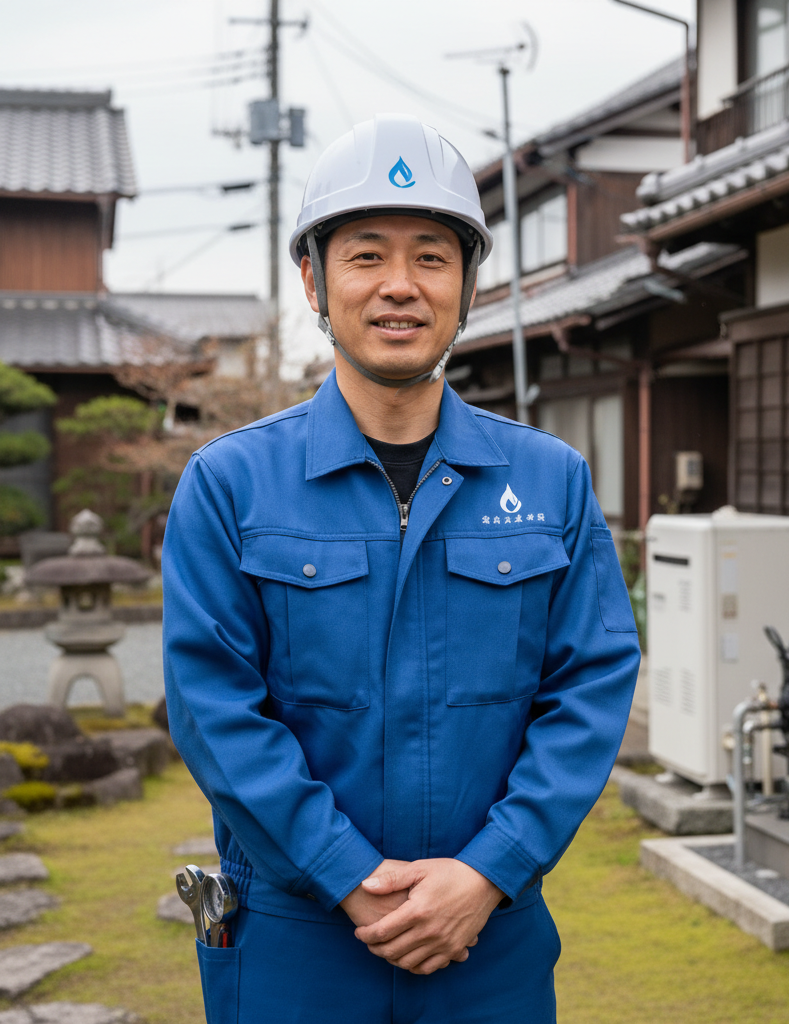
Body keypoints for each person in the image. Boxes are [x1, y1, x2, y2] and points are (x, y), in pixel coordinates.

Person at [163, 113, 640, 1024]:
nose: (399, 286)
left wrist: (487, 871)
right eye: (366, 255)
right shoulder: (229, 484)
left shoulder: (551, 481)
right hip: (295, 940)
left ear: (467, 287)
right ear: (313, 278)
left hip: (488, 937)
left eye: (431, 256)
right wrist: (345, 875)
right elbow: (213, 706)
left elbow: (590, 691)